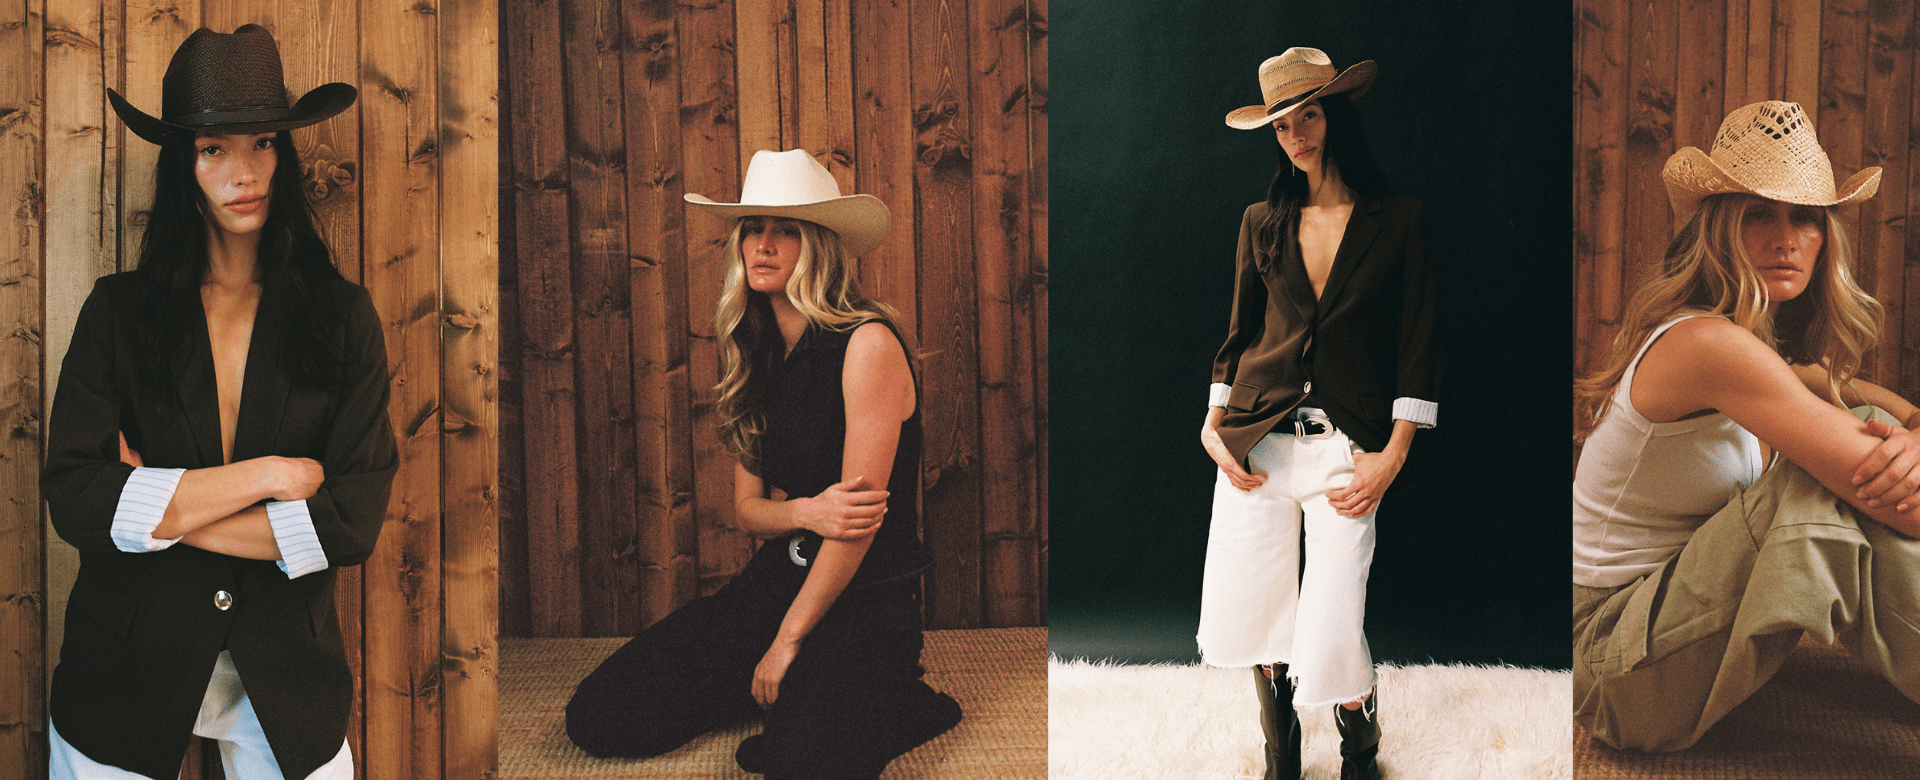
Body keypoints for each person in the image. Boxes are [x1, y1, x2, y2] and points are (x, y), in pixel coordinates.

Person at [40, 25, 396, 780]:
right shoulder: (118, 313)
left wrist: (164, 510)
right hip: (123, 675)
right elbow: (76, 497)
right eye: (213, 150)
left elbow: (350, 522)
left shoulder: (342, 319)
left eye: (263, 143)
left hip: (289, 681)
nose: (244, 171)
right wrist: (271, 474)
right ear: (182, 167)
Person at [564, 149, 962, 778]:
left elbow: (854, 528)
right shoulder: (754, 352)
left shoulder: (867, 344)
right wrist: (804, 511)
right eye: (754, 228)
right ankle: (796, 687)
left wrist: (786, 643)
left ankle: (898, 699)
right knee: (600, 715)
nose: (764, 245)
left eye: (786, 230)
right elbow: (747, 512)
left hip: (863, 598)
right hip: (781, 579)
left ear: (820, 246)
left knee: (794, 762)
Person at [1572, 99, 1920, 752]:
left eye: (1805, 218)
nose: (1785, 238)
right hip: (1608, 665)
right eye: (1758, 214)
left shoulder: (1749, 350)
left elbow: (1843, 391)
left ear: (1825, 237)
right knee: (1820, 482)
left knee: (1859, 432)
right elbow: (1907, 508)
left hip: (1659, 635)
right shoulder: (1706, 345)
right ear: (1718, 229)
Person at [1198, 48, 1439, 780]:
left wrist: (1393, 454)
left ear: (1336, 116)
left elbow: (1417, 344)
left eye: (1308, 115)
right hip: (1257, 441)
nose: (1296, 135)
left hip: (1348, 447)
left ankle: (1358, 737)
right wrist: (1213, 426)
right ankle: (1282, 752)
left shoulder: (1398, 221)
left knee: (1333, 616)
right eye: (1281, 126)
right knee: (1256, 609)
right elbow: (1240, 336)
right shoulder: (1260, 221)